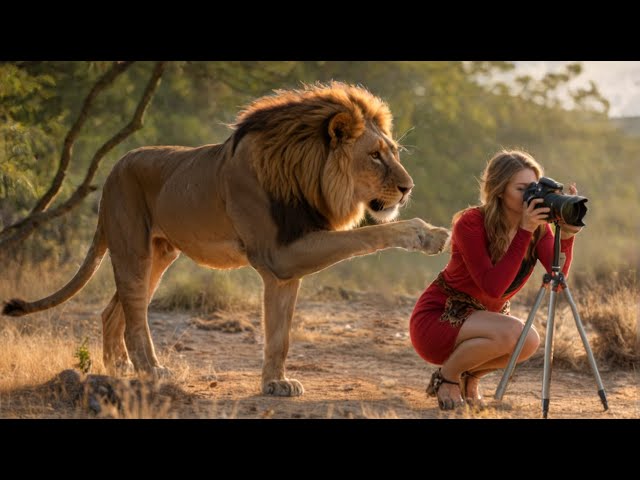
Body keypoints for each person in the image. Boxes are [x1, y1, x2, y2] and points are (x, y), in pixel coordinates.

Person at [410, 149, 582, 410]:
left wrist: (567, 233)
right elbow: (493, 287)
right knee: (516, 332)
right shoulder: (471, 223)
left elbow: (559, 273)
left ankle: (471, 377)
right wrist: (524, 230)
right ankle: (447, 377)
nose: (530, 196)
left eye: (534, 188)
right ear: (500, 190)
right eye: (521, 189)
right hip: (440, 319)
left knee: (529, 342)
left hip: (486, 326)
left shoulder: (539, 227)